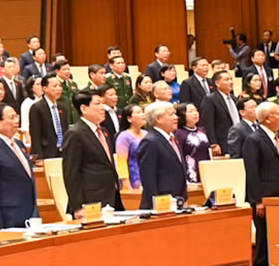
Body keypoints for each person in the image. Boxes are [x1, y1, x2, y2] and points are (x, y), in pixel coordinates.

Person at [239, 102, 279, 266]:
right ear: (268, 118)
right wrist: (258, 200)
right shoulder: (254, 140)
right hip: (264, 196)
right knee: (263, 235)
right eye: (278, 113)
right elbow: (252, 173)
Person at [0, 103, 40, 230]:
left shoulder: (19, 144)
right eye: (11, 117)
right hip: (7, 218)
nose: (16, 120)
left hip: (29, 214)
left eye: (17, 116)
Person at [61, 89, 121, 217]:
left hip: (111, 195)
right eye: (97, 104)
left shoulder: (104, 131)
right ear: (84, 108)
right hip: (90, 199)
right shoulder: (75, 134)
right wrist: (78, 206)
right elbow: (71, 173)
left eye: (102, 104)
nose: (102, 108)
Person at [132, 103, 188, 211]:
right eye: (171, 114)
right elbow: (148, 178)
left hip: (177, 201)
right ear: (159, 119)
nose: (176, 118)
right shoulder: (150, 141)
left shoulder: (173, 138)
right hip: (161, 205)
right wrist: (157, 205)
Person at [173, 102, 211, 185]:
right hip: (190, 168)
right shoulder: (179, 133)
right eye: (190, 111)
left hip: (205, 168)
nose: (195, 113)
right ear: (182, 115)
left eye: (196, 110)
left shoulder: (202, 130)